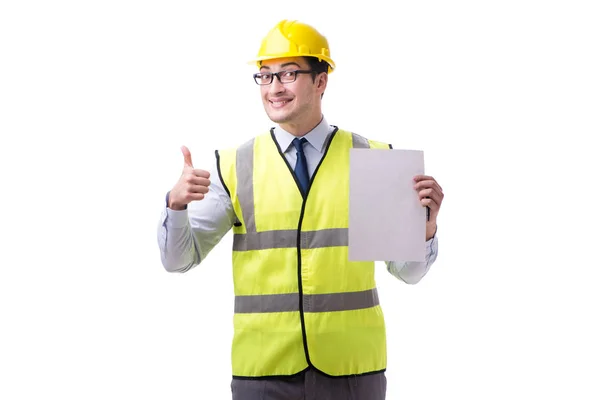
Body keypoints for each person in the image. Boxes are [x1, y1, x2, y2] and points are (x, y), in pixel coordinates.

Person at [157, 19, 444, 400]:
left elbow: (408, 274)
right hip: (263, 372)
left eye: (288, 74)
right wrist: (175, 207)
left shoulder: (373, 158)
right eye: (265, 76)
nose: (274, 88)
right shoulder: (234, 165)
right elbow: (178, 260)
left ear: (321, 81)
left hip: (352, 371)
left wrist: (425, 229)